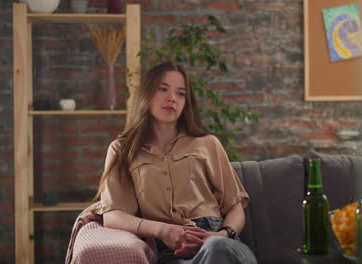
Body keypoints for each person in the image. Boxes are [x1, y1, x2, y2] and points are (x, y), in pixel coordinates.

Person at [94, 62, 258, 264]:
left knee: (217, 250)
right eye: (163, 89)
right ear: (146, 93)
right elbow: (113, 215)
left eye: (181, 93)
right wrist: (163, 230)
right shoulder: (122, 150)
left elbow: (235, 208)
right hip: (170, 251)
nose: (172, 98)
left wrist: (222, 235)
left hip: (222, 243)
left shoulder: (207, 143)